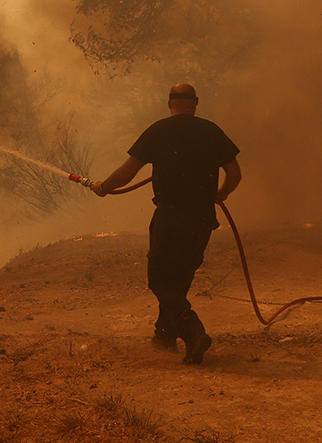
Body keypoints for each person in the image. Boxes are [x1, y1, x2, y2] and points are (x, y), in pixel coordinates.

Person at [92, 82, 241, 365]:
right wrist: (220, 195)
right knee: (180, 278)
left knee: (160, 279)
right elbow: (234, 174)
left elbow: (127, 173)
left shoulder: (158, 131)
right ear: (195, 103)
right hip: (202, 219)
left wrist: (103, 188)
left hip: (171, 217)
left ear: (169, 103)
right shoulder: (211, 131)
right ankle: (164, 336)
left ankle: (192, 331)